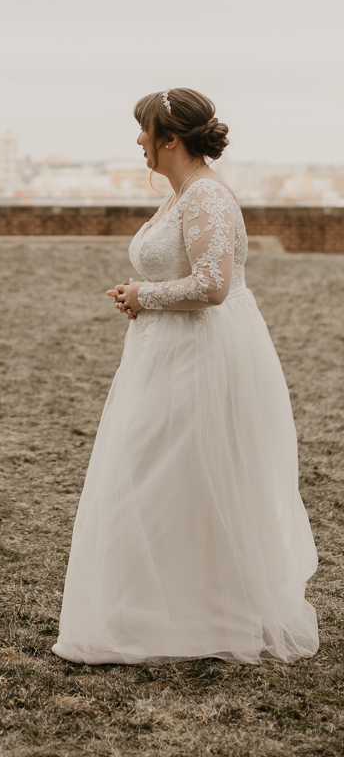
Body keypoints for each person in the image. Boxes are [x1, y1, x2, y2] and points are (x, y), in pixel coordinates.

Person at [53, 88, 318, 665]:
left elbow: (214, 286)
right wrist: (143, 300)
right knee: (162, 475)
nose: (139, 142)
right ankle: (162, 607)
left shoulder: (205, 198)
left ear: (170, 138)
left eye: (144, 131)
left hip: (202, 353)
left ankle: (198, 616)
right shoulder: (180, 195)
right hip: (167, 348)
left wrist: (142, 293)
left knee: (172, 473)